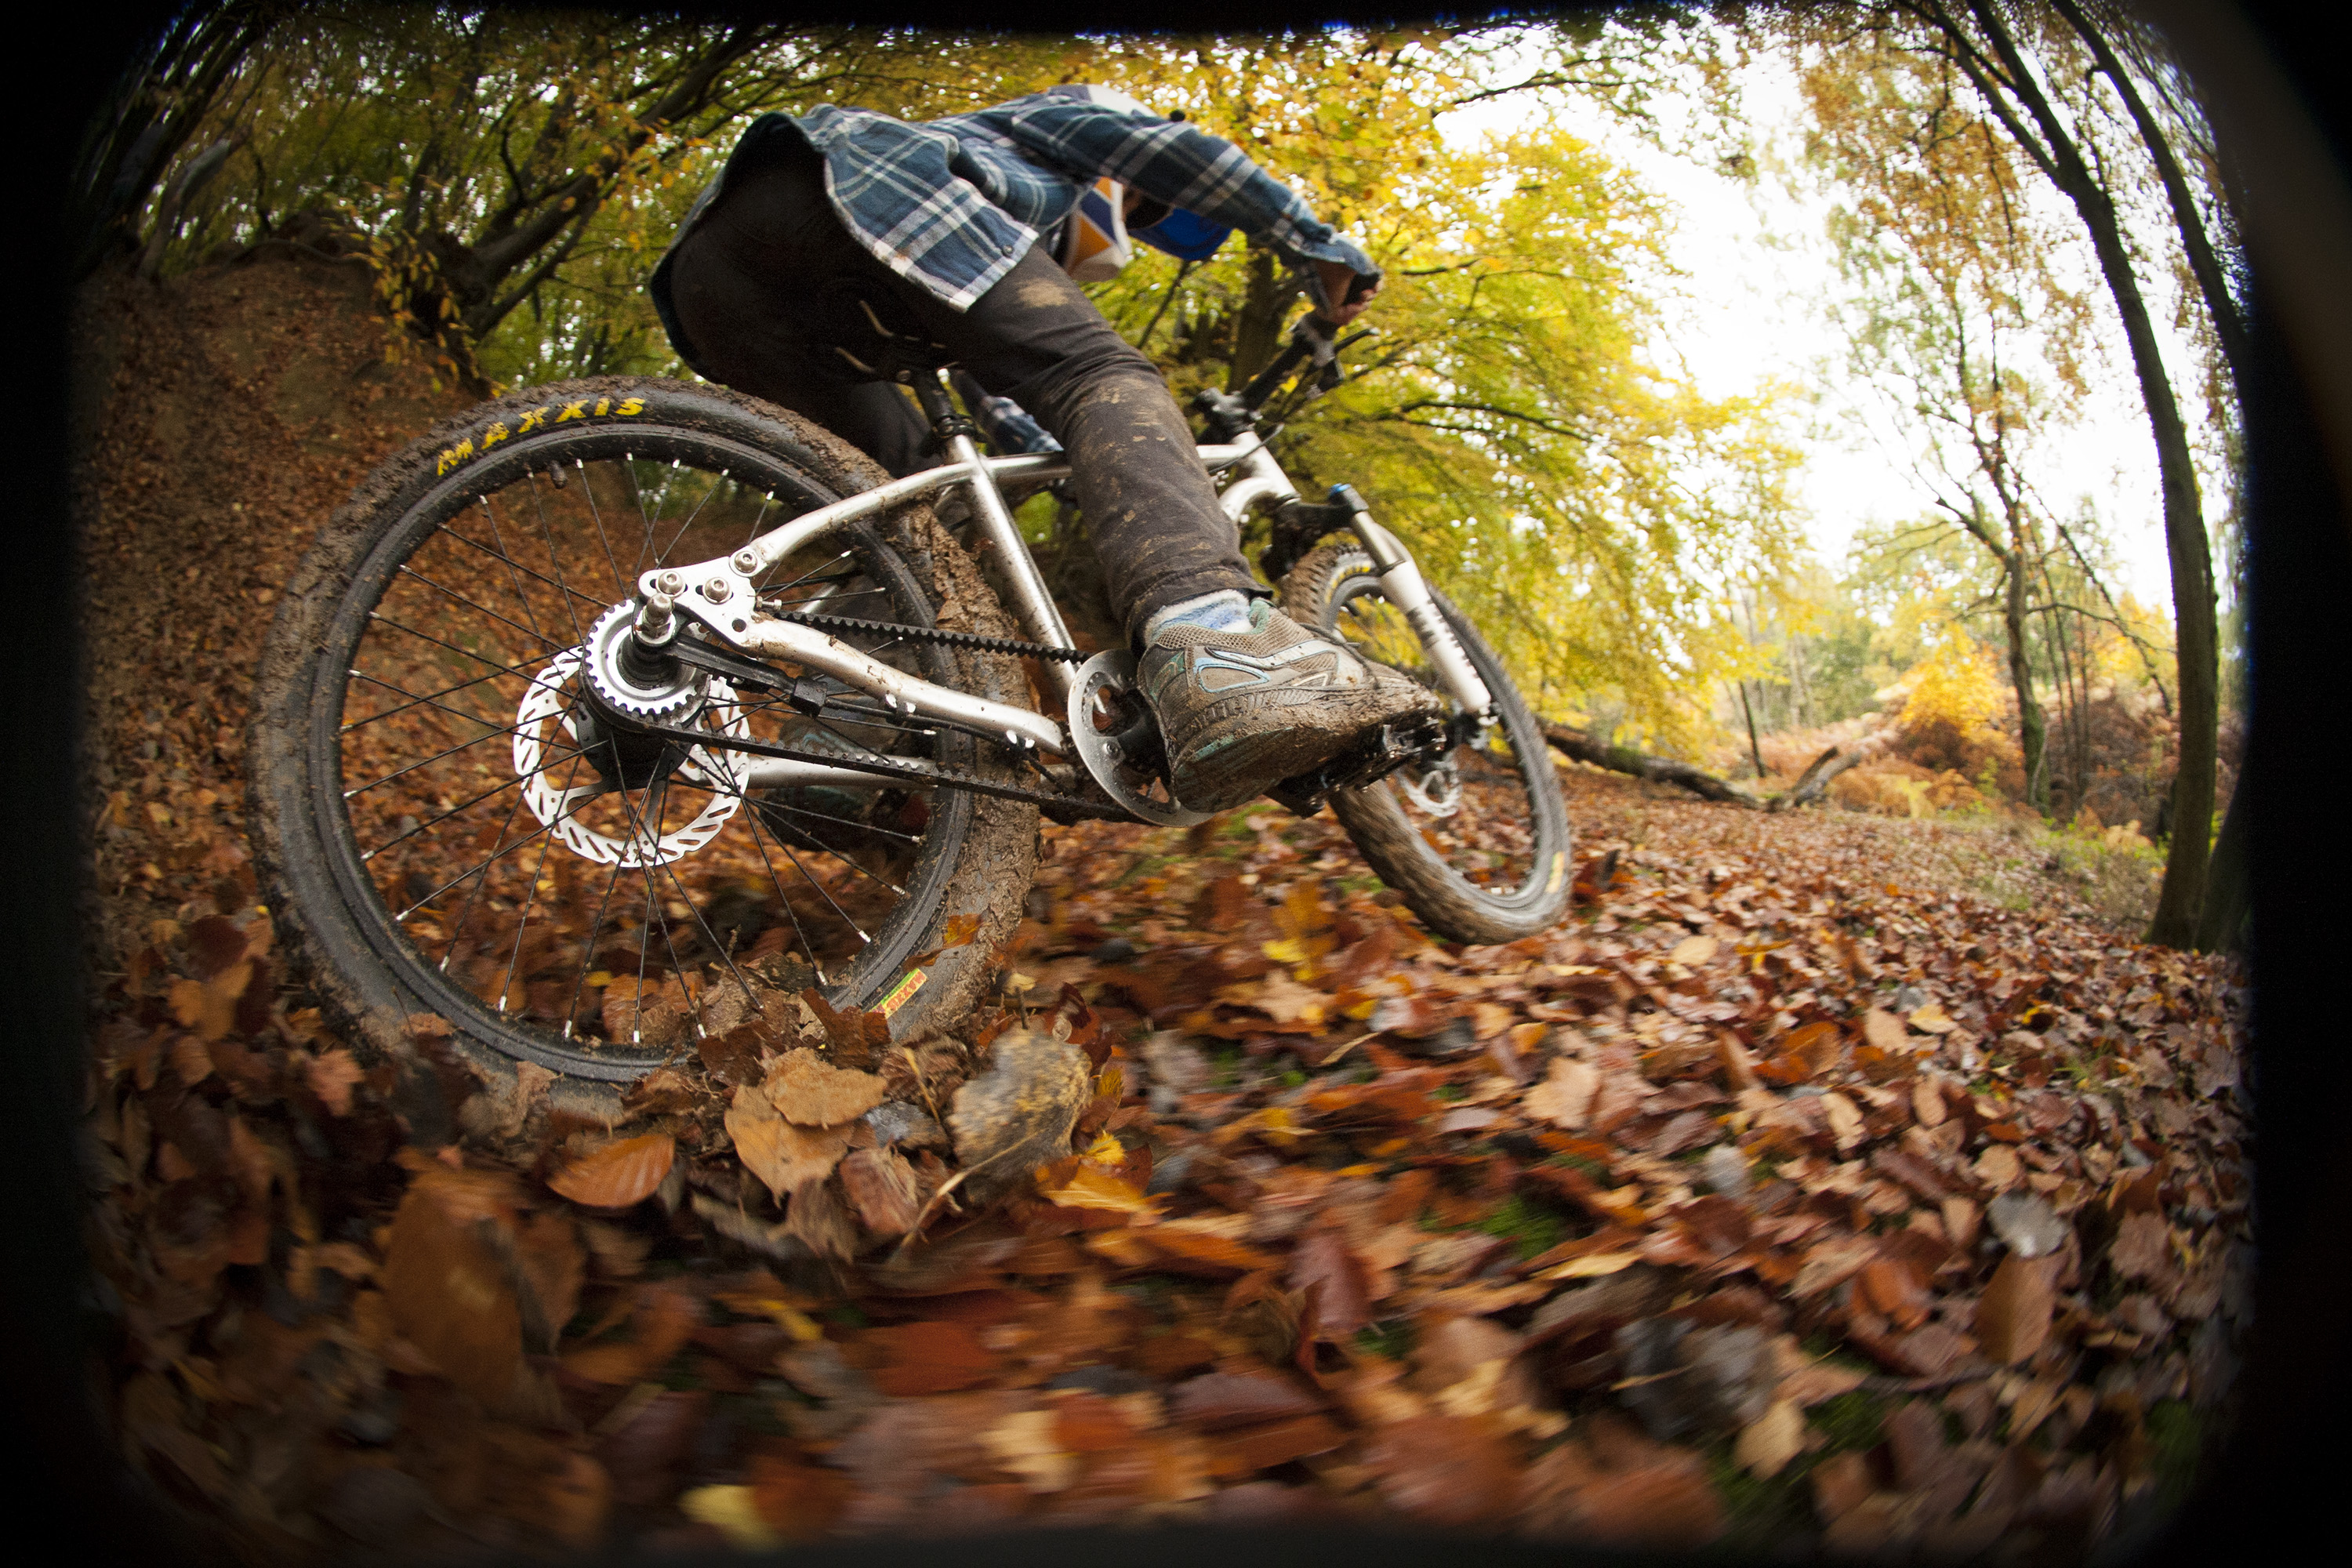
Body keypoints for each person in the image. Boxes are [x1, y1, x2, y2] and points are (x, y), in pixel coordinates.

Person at [649, 83, 1439, 814]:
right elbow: (1172, 155)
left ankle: (835, 742)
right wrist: (1311, 241)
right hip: (853, 185)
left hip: (715, 281)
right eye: (1145, 207)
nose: (1142, 216)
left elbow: (999, 392)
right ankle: (1219, 644)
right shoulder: (1059, 122)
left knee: (921, 503)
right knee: (1104, 375)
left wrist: (1085, 465)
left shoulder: (979, 250)